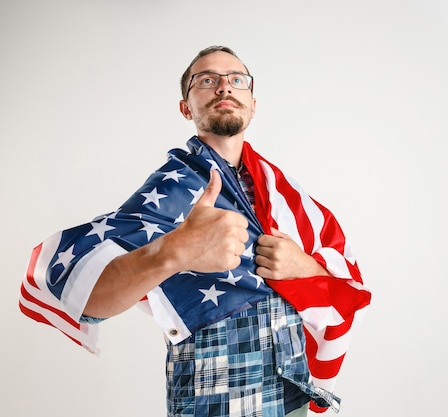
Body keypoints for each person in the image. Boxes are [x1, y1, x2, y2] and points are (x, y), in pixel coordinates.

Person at [19, 45, 371, 417]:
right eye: (206, 80)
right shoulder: (171, 192)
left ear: (253, 104)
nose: (224, 87)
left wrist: (305, 268)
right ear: (186, 108)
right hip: (217, 399)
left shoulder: (280, 193)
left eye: (237, 80)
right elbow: (83, 300)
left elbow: (345, 280)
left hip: (290, 392)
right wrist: (174, 250)